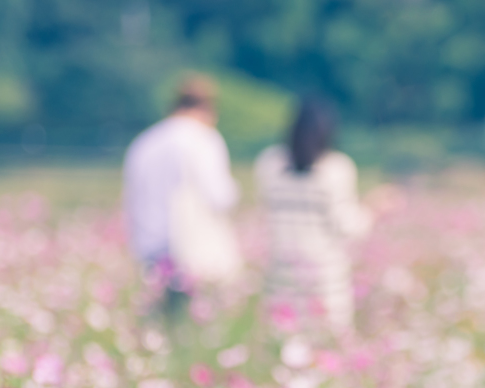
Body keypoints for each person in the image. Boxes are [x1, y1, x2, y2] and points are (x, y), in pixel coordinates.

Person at [123, 74, 242, 317]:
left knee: (159, 321)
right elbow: (220, 196)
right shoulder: (202, 138)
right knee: (196, 322)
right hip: (190, 249)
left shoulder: (144, 142)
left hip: (149, 246)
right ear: (208, 108)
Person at [255, 97, 371, 332]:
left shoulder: (269, 163)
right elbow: (348, 226)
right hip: (325, 279)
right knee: (325, 350)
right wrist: (374, 208)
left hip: (282, 274)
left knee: (284, 345)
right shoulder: (336, 169)